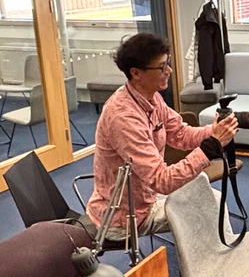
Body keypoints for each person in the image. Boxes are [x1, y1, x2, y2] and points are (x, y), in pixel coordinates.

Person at [87, 33, 239, 240]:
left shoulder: (151, 97)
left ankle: (214, 258)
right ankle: (215, 266)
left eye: (167, 63)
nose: (169, 71)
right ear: (136, 73)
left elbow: (180, 134)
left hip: (146, 195)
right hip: (127, 217)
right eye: (161, 67)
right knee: (210, 206)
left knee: (205, 189)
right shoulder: (123, 117)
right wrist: (211, 146)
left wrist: (214, 131)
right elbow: (163, 181)